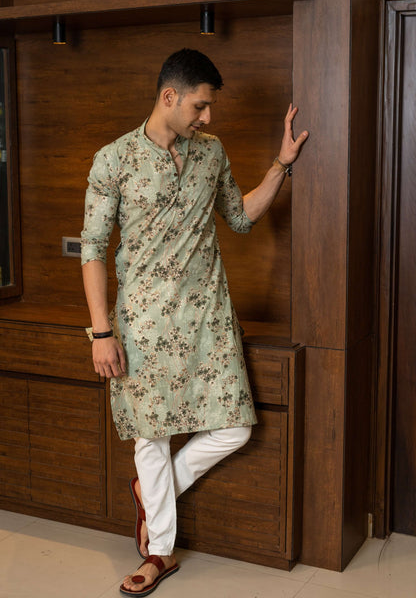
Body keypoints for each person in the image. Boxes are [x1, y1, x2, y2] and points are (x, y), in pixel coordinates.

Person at [81, 48, 308, 596]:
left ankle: (153, 493)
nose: (208, 117)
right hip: (141, 324)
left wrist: (282, 165)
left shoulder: (212, 153)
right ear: (169, 96)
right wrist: (102, 332)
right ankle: (159, 553)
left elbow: (239, 216)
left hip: (208, 318)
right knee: (151, 437)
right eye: (201, 106)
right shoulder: (113, 160)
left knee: (235, 426)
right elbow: (91, 247)